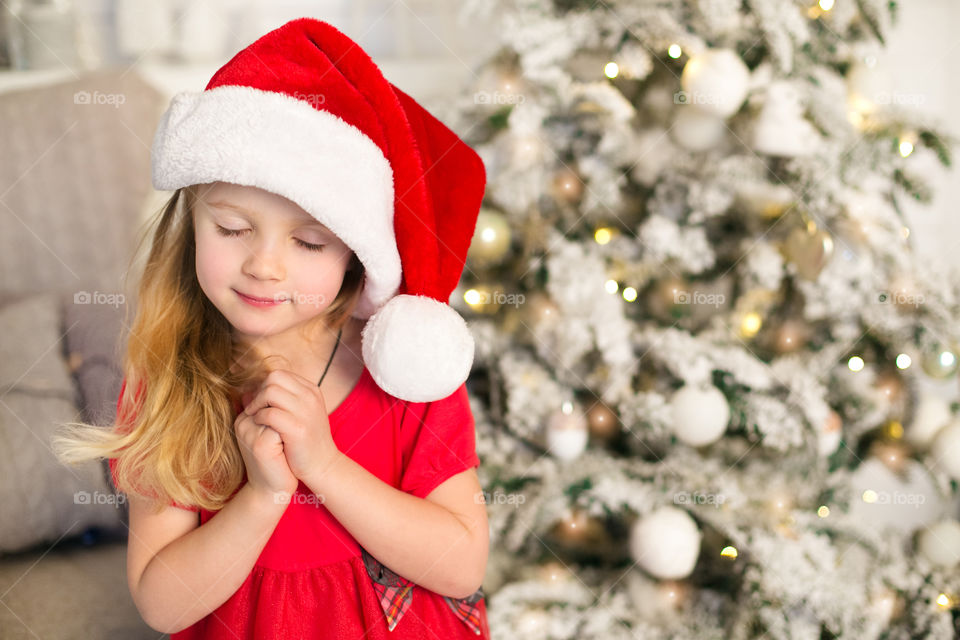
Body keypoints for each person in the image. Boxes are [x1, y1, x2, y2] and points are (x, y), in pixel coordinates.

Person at [52, 17, 490, 639]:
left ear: (354, 255)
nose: (263, 265)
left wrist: (326, 465)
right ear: (191, 222)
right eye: (231, 229)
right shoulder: (168, 379)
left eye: (309, 242)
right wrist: (260, 497)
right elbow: (162, 604)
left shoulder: (407, 371)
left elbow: (462, 564)